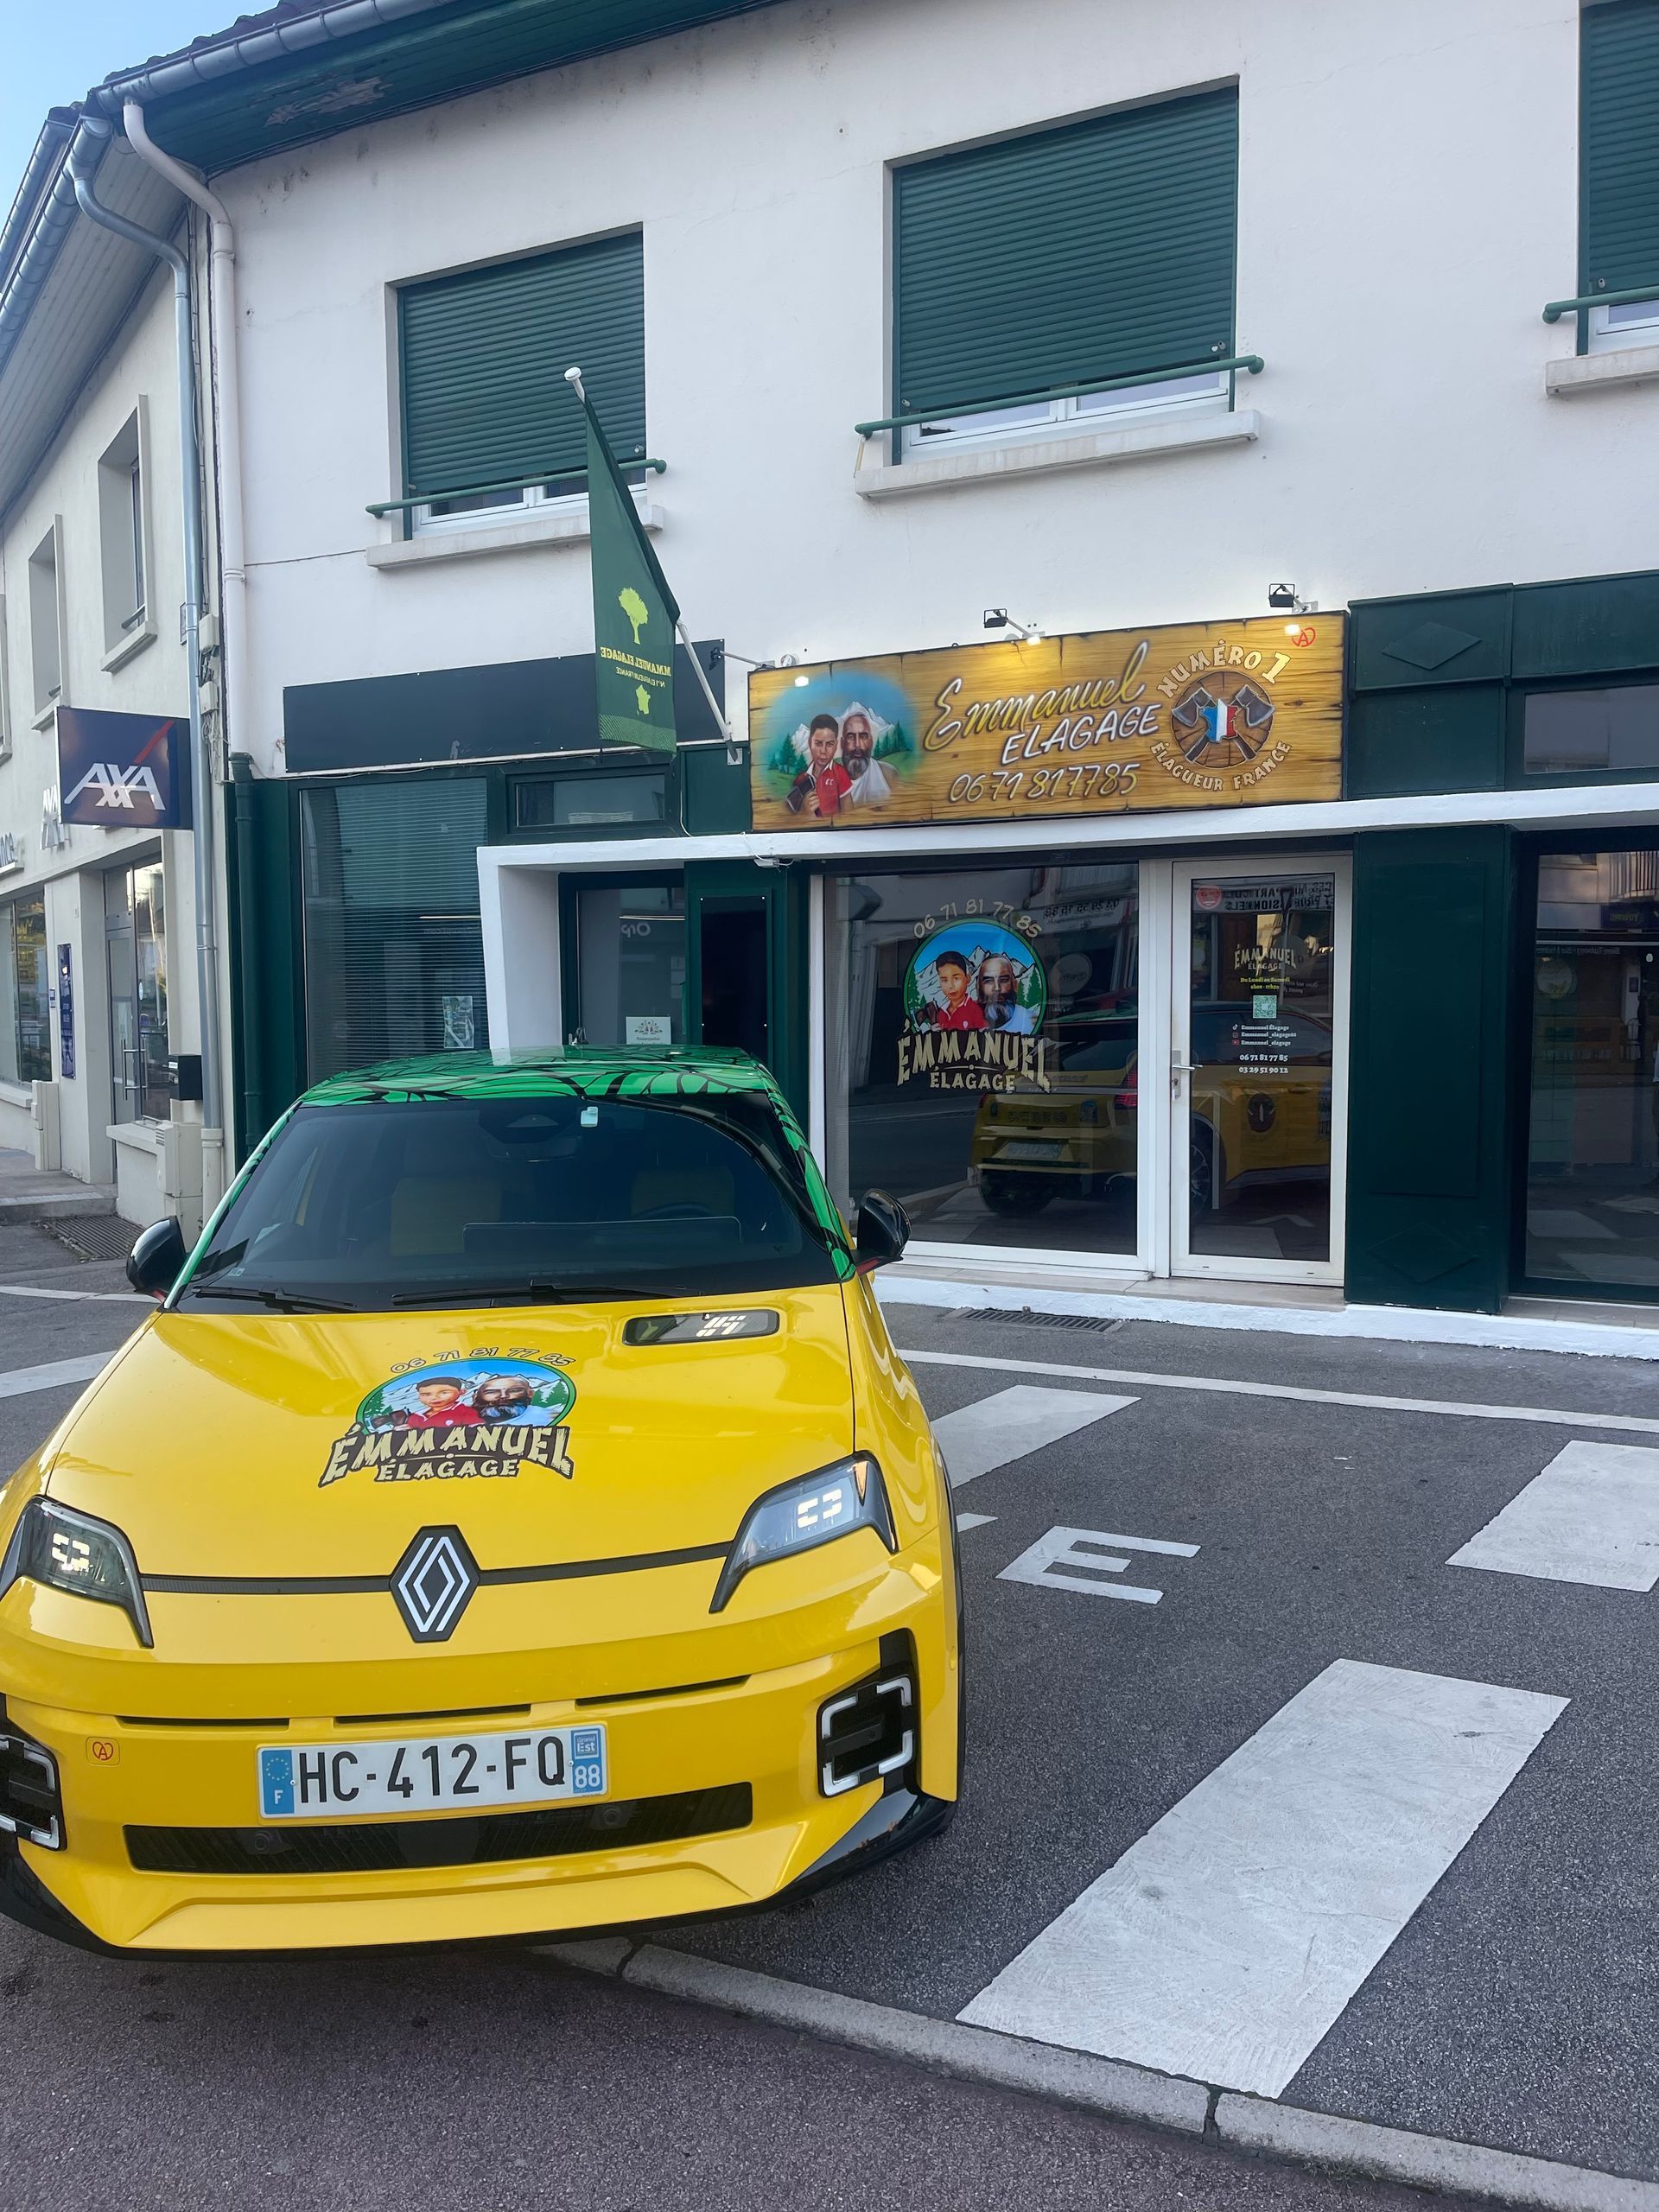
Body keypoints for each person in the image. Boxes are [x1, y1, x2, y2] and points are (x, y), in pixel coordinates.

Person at [785, 715, 852, 817]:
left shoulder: (840, 774)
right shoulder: (802, 779)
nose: (823, 751)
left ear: (836, 745)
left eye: (829, 744)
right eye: (818, 744)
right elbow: (790, 817)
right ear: (809, 743)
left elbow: (850, 816)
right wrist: (805, 813)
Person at [839, 709, 893, 808]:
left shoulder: (888, 776)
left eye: (863, 737)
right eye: (851, 737)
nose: (857, 745)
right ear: (842, 743)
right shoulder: (832, 781)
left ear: (871, 742)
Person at [925, 948, 985, 1031]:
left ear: (967, 979)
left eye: (956, 978)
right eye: (944, 980)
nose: (950, 986)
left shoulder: (975, 1011)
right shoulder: (942, 1013)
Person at [976, 951, 1034, 1033]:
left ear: (1015, 985)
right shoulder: (964, 1023)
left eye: (1003, 980)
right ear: (978, 988)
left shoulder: (1031, 1023)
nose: (997, 988)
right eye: (989, 981)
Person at [399, 1376, 480, 1429]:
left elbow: (479, 1431)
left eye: (444, 1393)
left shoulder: (465, 1412)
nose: (434, 1398)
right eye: (426, 1394)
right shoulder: (414, 1417)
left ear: (461, 1392)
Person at [474, 1375, 554, 1427]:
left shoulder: (549, 1417)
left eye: (514, 1391)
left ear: (530, 1393)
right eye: (492, 1392)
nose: (504, 1396)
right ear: (476, 1397)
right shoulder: (466, 1417)